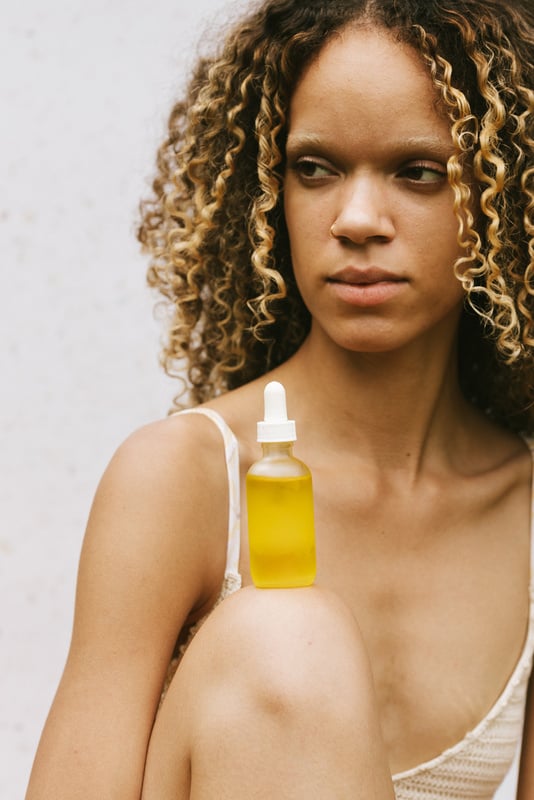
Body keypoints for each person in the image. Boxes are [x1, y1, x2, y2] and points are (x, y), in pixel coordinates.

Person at [26, 0, 534, 798]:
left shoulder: (526, 508)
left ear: (507, 201)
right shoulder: (186, 480)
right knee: (287, 634)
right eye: (315, 168)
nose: (357, 219)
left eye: (419, 172)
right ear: (268, 195)